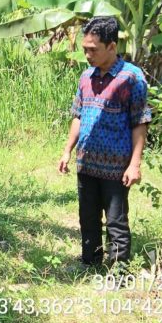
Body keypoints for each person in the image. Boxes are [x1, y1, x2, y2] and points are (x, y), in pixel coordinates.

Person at [58, 16, 151, 271]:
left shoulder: (130, 78)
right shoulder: (86, 76)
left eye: (93, 49)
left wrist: (135, 164)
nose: (87, 55)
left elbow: (140, 122)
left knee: (115, 221)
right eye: (84, 49)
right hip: (86, 162)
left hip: (116, 167)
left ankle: (120, 271)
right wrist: (67, 151)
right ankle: (90, 261)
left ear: (112, 46)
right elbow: (78, 115)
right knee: (87, 218)